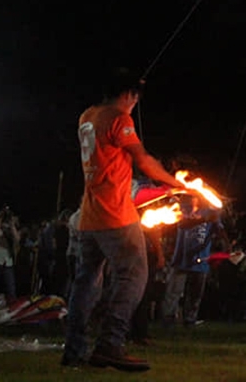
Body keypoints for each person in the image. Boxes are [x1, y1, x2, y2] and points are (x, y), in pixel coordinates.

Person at [61, 70, 187, 372]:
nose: (134, 105)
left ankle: (74, 350)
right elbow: (142, 159)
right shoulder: (119, 118)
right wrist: (178, 184)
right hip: (115, 214)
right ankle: (110, 344)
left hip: (89, 216)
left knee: (86, 282)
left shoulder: (87, 116)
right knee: (134, 275)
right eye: (135, 98)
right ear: (128, 94)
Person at [160, 196, 226, 328]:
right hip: (181, 258)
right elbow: (182, 224)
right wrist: (205, 219)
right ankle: (168, 318)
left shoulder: (211, 212)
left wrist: (226, 245)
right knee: (174, 290)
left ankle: (190, 319)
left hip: (201, 259)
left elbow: (220, 230)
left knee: (195, 293)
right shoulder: (182, 208)